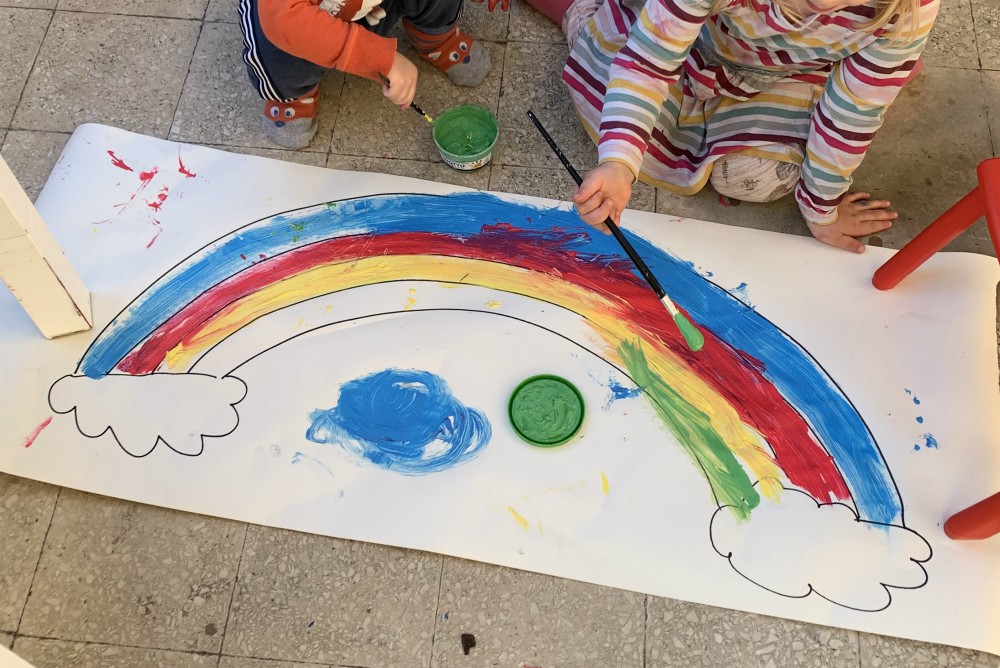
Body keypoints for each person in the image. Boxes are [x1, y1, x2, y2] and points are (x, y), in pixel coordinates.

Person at [526, 0, 937, 253]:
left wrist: (821, 208)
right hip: (687, 48)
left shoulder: (909, 6)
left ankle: (879, 67)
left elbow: (853, 113)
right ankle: (576, 12)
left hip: (777, 72)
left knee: (756, 177)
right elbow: (648, 63)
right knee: (603, 86)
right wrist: (618, 162)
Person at [239, 0, 504, 149]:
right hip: (293, 19)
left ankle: (435, 37)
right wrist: (379, 58)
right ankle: (291, 96)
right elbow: (284, 19)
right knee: (278, 57)